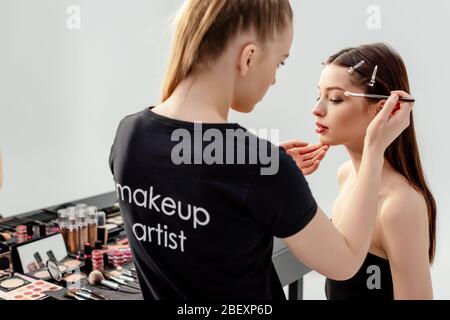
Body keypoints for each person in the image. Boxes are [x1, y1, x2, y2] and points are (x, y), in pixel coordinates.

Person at [109, 0, 412, 299]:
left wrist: (261, 182)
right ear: (248, 57)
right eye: (279, 61)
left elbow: (200, 198)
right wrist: (374, 150)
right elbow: (344, 263)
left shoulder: (129, 135)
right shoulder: (259, 165)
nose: (274, 79)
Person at [309, 43, 434, 299]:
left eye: (335, 99)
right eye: (318, 95)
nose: (318, 109)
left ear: (382, 110)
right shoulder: (346, 175)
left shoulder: (399, 206)